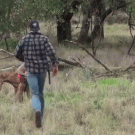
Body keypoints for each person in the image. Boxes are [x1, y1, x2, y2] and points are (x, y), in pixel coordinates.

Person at [14, 20, 58, 128]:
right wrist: (55, 65)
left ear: (29, 28)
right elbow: (52, 53)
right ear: (38, 29)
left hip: (30, 71)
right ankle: (41, 118)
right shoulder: (44, 39)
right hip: (42, 71)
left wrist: (25, 59)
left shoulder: (24, 39)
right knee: (41, 94)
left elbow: (16, 53)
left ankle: (37, 110)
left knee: (34, 94)